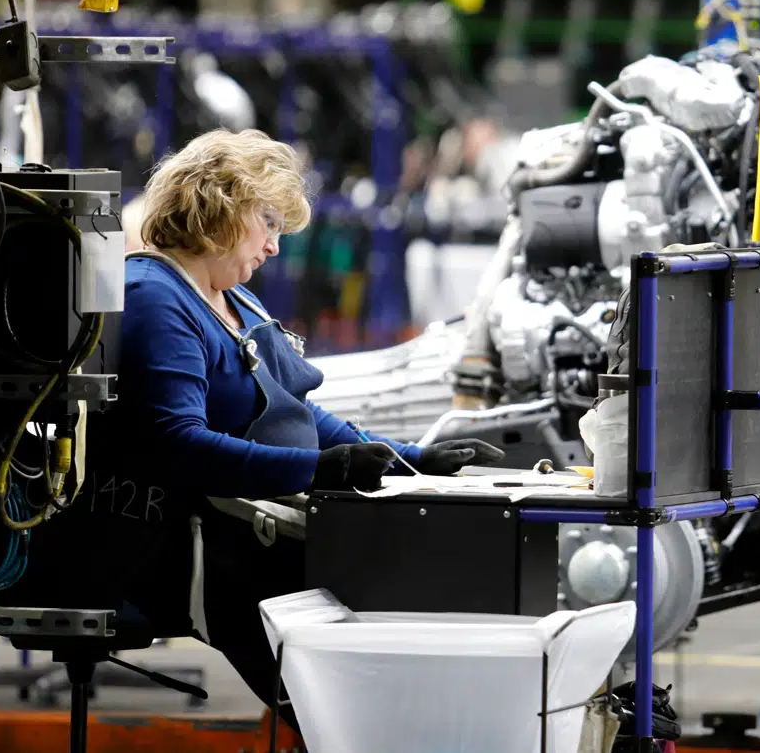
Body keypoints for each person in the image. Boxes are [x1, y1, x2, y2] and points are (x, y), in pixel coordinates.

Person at [92, 128, 504, 726]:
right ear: (222, 209)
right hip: (221, 549)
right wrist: (318, 469)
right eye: (269, 224)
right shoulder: (157, 297)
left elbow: (296, 411)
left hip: (277, 528)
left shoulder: (233, 297)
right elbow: (176, 445)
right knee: (343, 713)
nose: (275, 247)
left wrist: (411, 457)